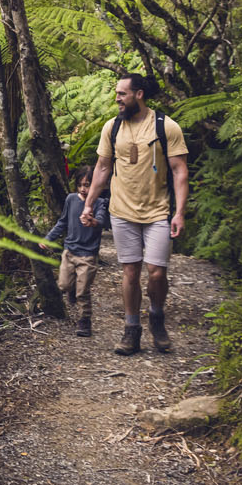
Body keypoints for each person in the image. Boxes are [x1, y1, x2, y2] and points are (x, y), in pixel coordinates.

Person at [81, 73, 189, 356]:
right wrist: (89, 203)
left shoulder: (166, 126)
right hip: (122, 211)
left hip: (158, 212)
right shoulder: (112, 127)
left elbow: (179, 171)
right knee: (130, 272)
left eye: (122, 94)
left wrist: (179, 212)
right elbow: (102, 168)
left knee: (156, 272)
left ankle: (156, 315)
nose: (117, 99)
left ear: (139, 94)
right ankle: (131, 328)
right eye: (117, 93)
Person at [41, 166, 110, 337]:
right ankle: (71, 290)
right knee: (64, 285)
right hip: (70, 251)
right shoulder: (71, 199)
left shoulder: (100, 203)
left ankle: (84, 321)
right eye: (80, 185)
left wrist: (92, 221)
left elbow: (102, 221)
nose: (83, 189)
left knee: (83, 292)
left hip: (88, 255)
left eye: (87, 185)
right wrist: (48, 238)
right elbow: (62, 222)